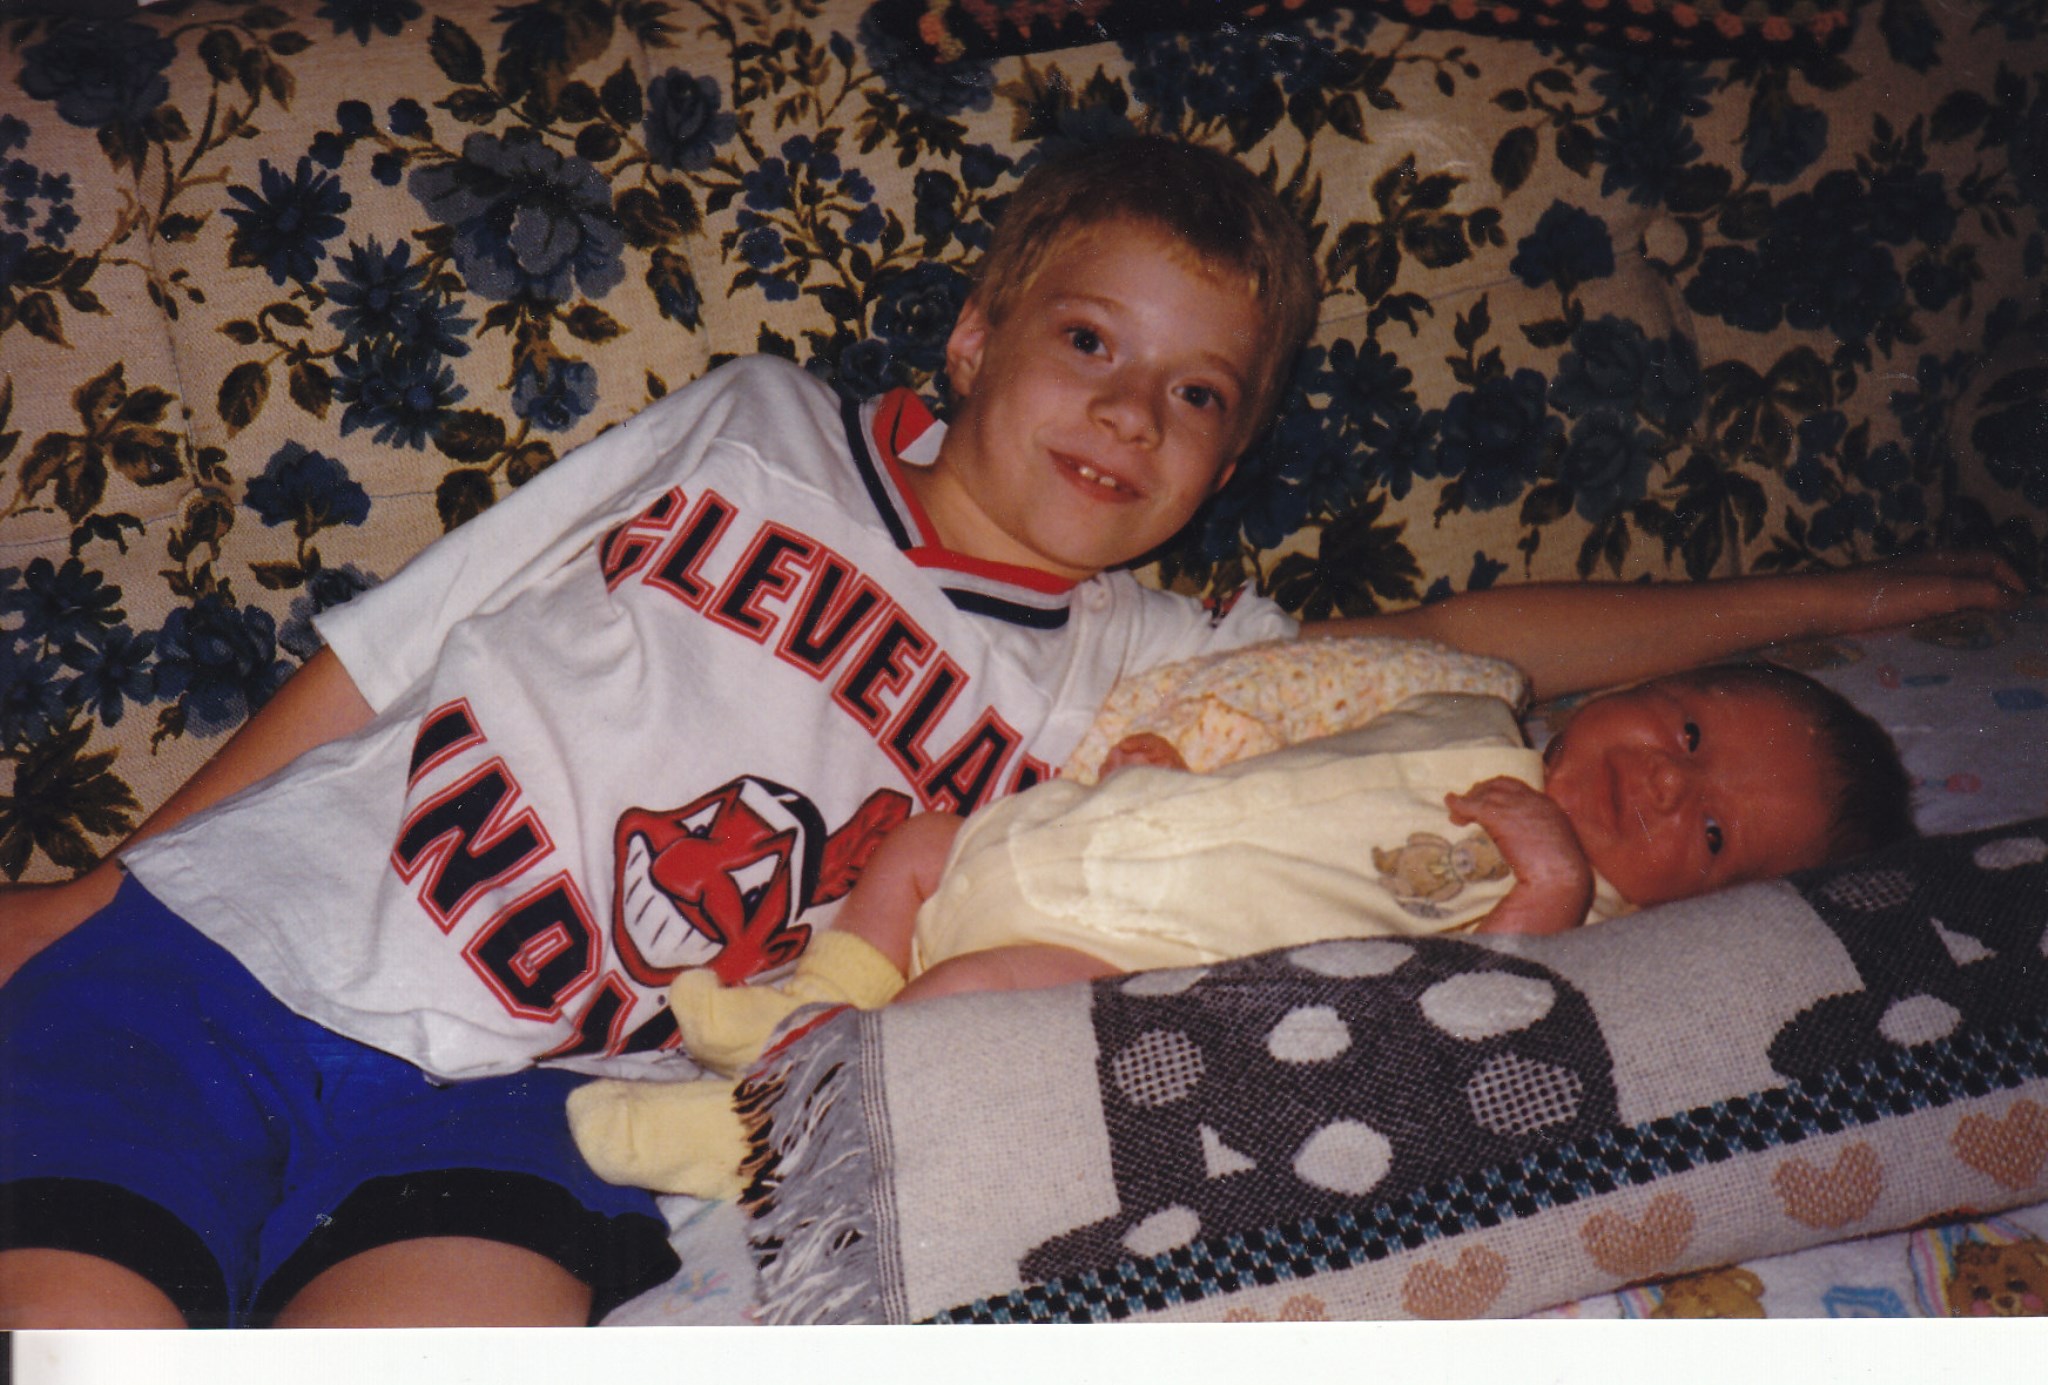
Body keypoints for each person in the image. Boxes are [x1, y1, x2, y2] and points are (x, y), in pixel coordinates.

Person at [0, 135, 2023, 1330]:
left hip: (556, 1101)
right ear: (973, 341)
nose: (1134, 412)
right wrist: (107, 882)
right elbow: (394, 645)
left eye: (1199, 396)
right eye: (1090, 344)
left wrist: (1842, 597)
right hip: (242, 952)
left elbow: (1478, 636)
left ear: (1225, 461)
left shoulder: (1140, 667)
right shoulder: (756, 430)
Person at [578, 648, 1910, 1092]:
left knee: (974, 992)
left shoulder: (1590, 926)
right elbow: (1292, 709)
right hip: (1089, 829)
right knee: (920, 842)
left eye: (1713, 835)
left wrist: (1548, 897)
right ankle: (816, 992)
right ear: (1651, 687)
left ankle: (785, 1100)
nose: (1668, 787)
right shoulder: (1470, 700)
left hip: (1128, 951)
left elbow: (1443, 1011)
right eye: (1688, 735)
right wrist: (1171, 751)